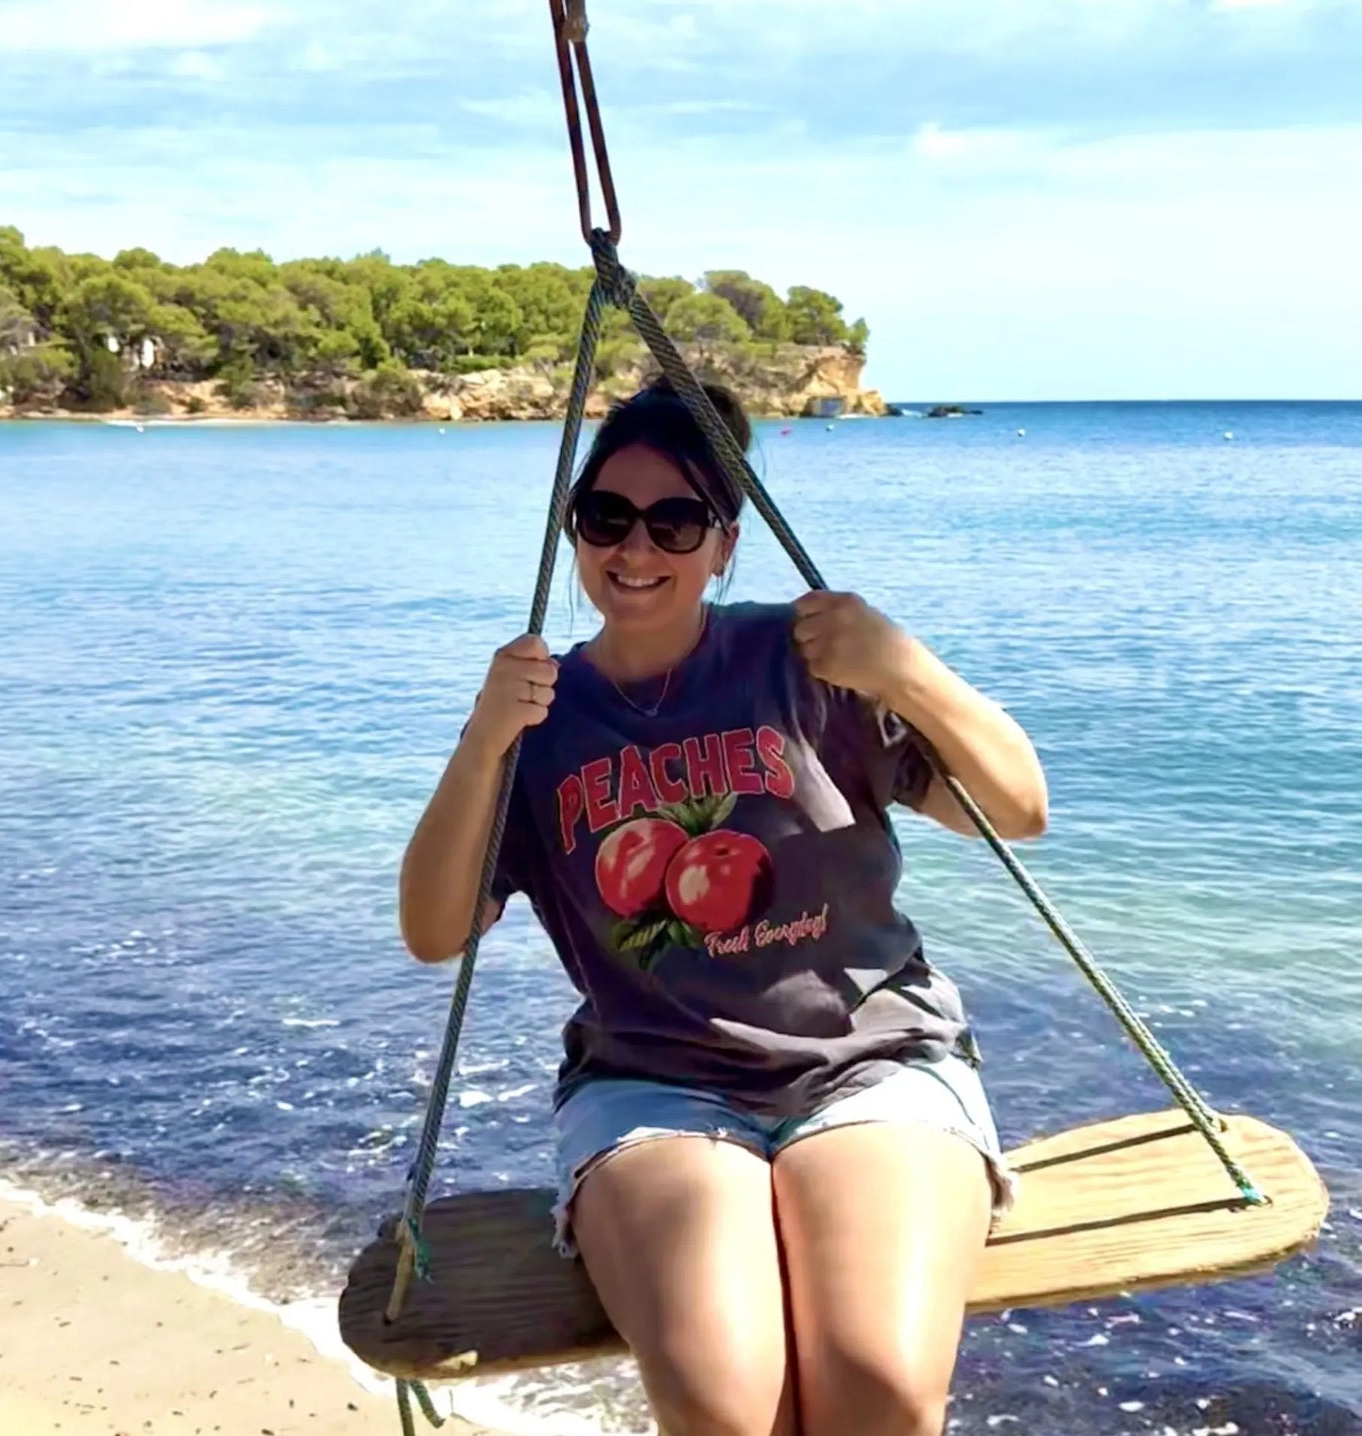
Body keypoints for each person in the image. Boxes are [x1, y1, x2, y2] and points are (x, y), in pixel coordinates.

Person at [398, 377, 1049, 1436]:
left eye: (676, 519)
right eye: (606, 516)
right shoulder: (543, 721)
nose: (637, 547)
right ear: (575, 531)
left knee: (876, 1387)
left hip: (870, 1065)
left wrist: (905, 668)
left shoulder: (803, 665)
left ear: (724, 542)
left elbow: (1018, 810)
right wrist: (481, 741)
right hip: (653, 1090)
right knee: (727, 1410)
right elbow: (433, 932)